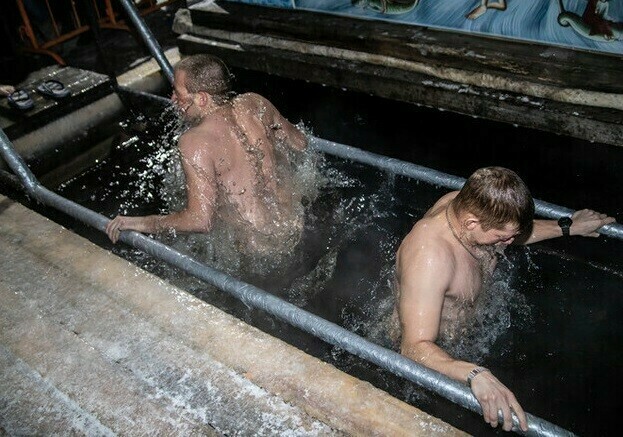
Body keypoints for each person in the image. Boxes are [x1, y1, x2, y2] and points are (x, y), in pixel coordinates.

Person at [394, 166, 615, 432]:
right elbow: (413, 348)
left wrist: (568, 226)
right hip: (437, 352)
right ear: (471, 223)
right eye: (502, 237)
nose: (509, 242)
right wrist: (475, 374)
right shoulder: (429, 257)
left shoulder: (467, 206)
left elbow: (511, 231)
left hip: (467, 332)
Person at [106, 54, 308, 253]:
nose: (173, 99)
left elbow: (200, 220)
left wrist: (141, 223)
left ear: (202, 98)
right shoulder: (256, 103)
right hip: (296, 226)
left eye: (177, 92)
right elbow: (300, 143)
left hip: (258, 249)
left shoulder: (194, 141)